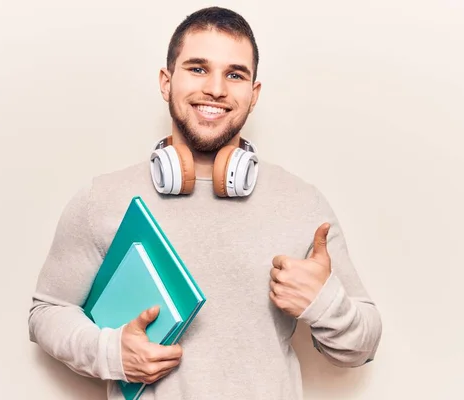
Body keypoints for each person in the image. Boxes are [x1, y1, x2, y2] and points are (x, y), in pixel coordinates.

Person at [28, 6, 382, 400]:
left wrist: (323, 302)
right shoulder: (102, 198)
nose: (216, 88)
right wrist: (110, 354)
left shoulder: (302, 202)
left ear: (254, 93)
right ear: (166, 82)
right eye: (198, 68)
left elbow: (362, 346)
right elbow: (46, 313)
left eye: (235, 74)